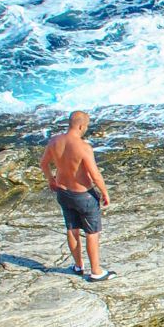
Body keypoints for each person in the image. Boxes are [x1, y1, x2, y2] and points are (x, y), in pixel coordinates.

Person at [40, 110, 113, 282]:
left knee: (72, 229)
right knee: (91, 232)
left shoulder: (54, 141)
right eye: (86, 126)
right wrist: (104, 192)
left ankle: (78, 266)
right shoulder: (83, 147)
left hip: (64, 192)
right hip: (83, 195)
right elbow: (95, 175)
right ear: (81, 126)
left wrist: (51, 180)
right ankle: (96, 271)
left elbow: (43, 163)